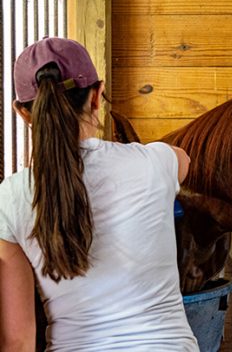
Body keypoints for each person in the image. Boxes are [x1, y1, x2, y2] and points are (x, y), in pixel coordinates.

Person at [0, 37, 199, 351]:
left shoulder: (10, 198)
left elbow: (18, 341)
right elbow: (183, 160)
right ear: (97, 96)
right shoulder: (153, 163)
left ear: (23, 113)